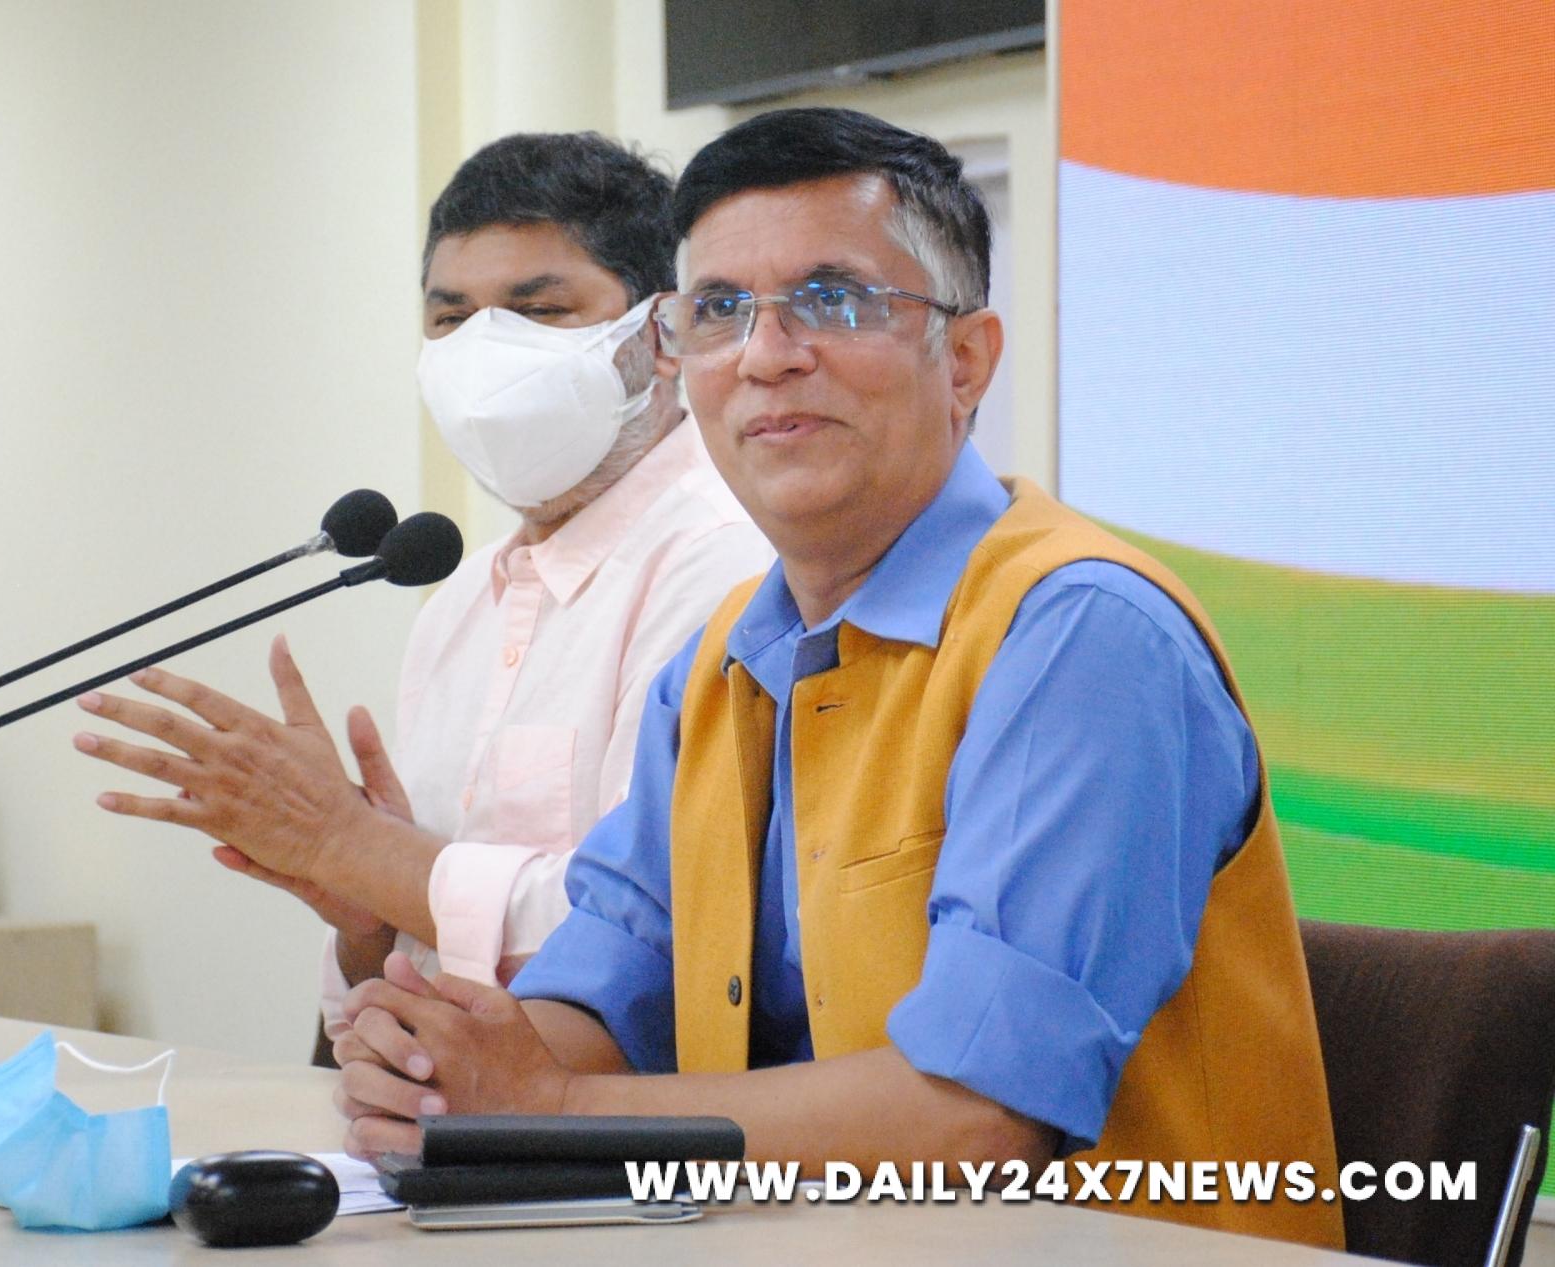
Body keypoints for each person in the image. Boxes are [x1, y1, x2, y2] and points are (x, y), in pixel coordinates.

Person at [328, 108, 1343, 1251]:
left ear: (964, 362)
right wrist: (439, 1063)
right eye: (718, 310)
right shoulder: (715, 666)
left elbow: (973, 1118)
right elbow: (606, 995)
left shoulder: (1078, 637)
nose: (764, 355)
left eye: (832, 299)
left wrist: (550, 1109)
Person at [72, 132, 771, 1041]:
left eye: (539, 310)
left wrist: (356, 846)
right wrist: (364, 911)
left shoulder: (726, 567)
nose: (486, 353)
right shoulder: (459, 601)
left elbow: (654, 924)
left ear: (662, 334)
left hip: (621, 1118)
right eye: (451, 320)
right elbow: (408, 952)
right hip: (433, 1106)